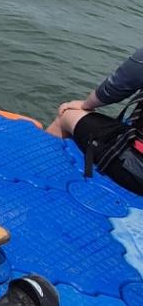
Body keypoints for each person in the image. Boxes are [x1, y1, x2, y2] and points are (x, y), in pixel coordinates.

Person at [46, 47, 143, 195]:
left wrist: (85, 105)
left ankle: (44, 173)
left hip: (136, 173)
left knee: (67, 114)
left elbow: (111, 91)